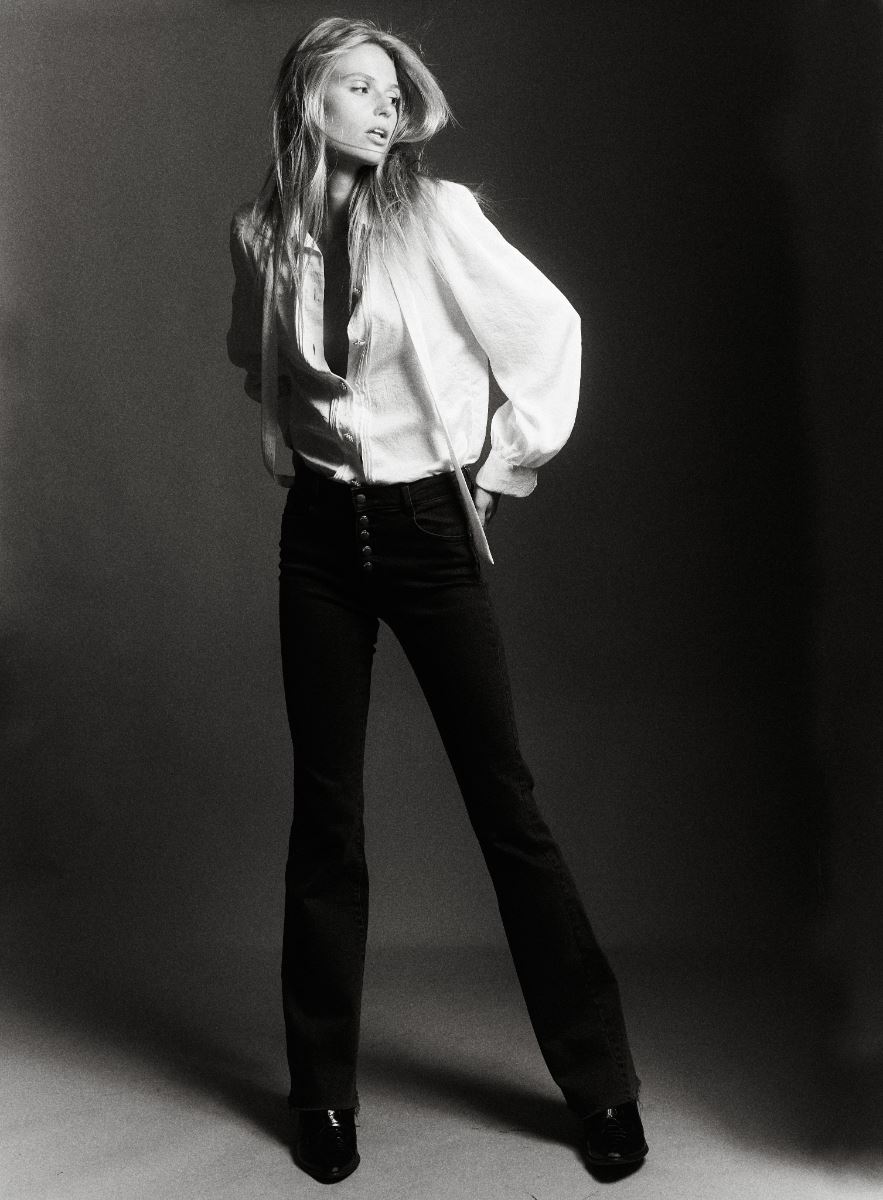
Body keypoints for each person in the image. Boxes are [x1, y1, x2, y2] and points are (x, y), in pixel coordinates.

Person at [226, 15, 648, 1184]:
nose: (386, 109)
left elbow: (548, 332)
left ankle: (602, 1084)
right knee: (326, 818)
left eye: (393, 94)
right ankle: (322, 1096)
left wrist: (498, 472)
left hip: (428, 531)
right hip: (319, 541)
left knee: (504, 806)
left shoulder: (438, 216)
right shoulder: (261, 233)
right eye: (360, 88)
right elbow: (256, 360)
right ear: (307, 98)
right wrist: (308, 446)